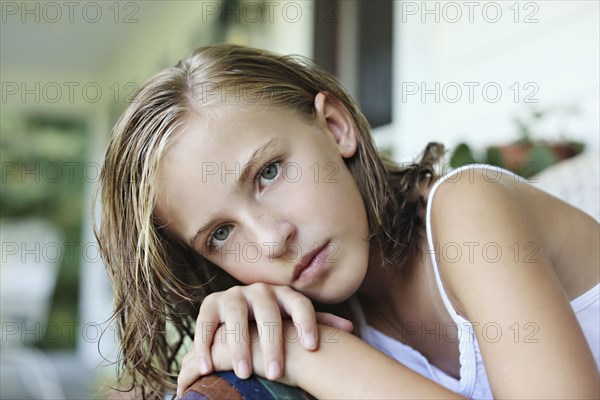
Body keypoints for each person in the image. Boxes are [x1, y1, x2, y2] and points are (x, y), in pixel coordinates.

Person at [96, 44, 599, 400]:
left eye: (268, 172)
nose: (272, 240)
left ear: (335, 127)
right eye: (221, 235)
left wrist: (322, 356)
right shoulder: (329, 312)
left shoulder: (469, 210)